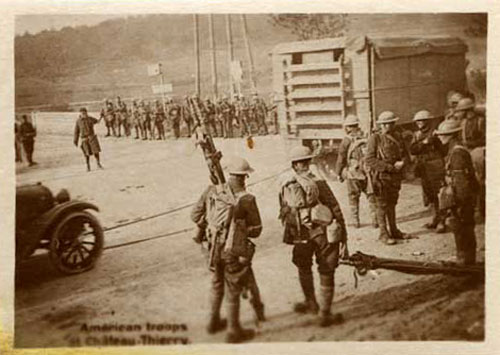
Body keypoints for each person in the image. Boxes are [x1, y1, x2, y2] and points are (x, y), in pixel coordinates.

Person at [190, 157, 263, 343]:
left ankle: (213, 322)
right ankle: (233, 331)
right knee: (233, 288)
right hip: (232, 250)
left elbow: (195, 215)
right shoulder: (247, 199)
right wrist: (241, 228)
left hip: (211, 248)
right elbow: (257, 231)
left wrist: (212, 225)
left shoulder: (211, 191)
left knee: (216, 284)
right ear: (244, 177)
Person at [279, 146, 348, 327]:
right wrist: (344, 235)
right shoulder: (317, 181)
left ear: (294, 164)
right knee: (326, 269)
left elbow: (284, 211)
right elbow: (334, 206)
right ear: (306, 163)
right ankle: (324, 314)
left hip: (300, 234)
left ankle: (311, 302)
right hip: (321, 233)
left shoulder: (285, 183)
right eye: (306, 161)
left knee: (304, 266)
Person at [434, 119, 478, 264]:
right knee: (464, 228)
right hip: (463, 196)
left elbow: (461, 181)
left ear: (450, 135)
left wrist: (460, 203)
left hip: (461, 198)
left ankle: (464, 259)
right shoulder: (456, 150)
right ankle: (466, 257)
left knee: (462, 229)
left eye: (442, 134)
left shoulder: (457, 154)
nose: (440, 137)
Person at [365, 111, 412, 245]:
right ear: (380, 125)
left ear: (394, 124)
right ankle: (383, 234)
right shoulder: (375, 138)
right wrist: (389, 167)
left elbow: (404, 153)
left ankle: (394, 230)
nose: (387, 126)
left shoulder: (398, 136)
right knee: (382, 206)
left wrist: (403, 162)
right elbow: (369, 159)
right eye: (384, 124)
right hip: (381, 177)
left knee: (392, 204)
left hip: (395, 178)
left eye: (390, 124)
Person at [335, 115, 378, 229]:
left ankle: (356, 221)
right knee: (371, 196)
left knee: (353, 197)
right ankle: (375, 220)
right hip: (367, 172)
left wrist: (338, 173)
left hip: (353, 173)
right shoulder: (366, 137)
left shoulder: (346, 141)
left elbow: (341, 158)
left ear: (348, 128)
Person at [410, 110, 447, 233]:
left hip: (435, 165)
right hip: (423, 168)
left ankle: (442, 221)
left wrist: (432, 142)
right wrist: (424, 143)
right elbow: (413, 150)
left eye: (422, 121)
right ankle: (435, 218)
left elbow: (443, 150)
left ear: (428, 121)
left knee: (439, 194)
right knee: (429, 195)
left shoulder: (436, 134)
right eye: (418, 121)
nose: (419, 123)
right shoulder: (416, 135)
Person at [453, 97, 486, 220]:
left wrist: (471, 144)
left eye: (461, 110)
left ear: (468, 110)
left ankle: (481, 207)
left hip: (479, 150)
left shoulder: (480, 121)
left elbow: (486, 138)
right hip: (467, 150)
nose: (459, 113)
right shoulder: (463, 122)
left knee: (480, 180)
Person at [74, 107, 103, 172]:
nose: (84, 114)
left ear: (86, 112)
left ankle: (98, 164)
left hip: (92, 137)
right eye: (82, 113)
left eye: (85, 112)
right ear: (80, 113)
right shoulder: (78, 121)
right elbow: (76, 131)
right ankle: (88, 166)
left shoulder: (90, 119)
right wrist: (75, 140)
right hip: (84, 139)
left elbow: (97, 121)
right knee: (86, 153)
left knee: (96, 151)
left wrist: (101, 116)